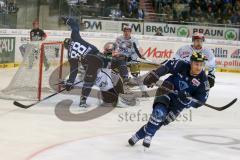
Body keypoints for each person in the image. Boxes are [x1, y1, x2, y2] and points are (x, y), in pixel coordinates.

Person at [128, 52, 210, 148]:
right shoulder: (181, 65)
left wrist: (188, 100)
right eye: (196, 64)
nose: (199, 67)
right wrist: (155, 75)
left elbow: (200, 101)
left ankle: (138, 135)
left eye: (201, 65)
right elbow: (166, 67)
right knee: (158, 113)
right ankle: (149, 135)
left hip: (179, 104)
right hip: (166, 91)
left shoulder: (203, 82)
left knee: (161, 121)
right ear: (191, 62)